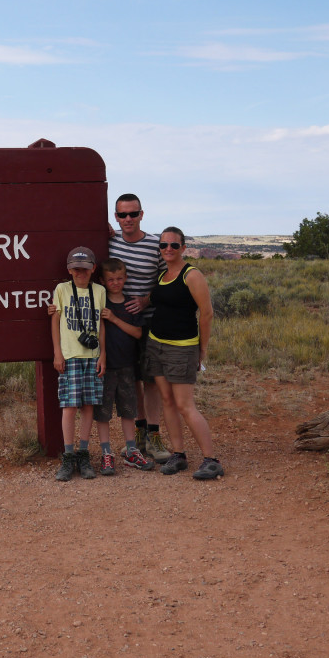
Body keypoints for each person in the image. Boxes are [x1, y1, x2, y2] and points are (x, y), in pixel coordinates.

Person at [144, 227, 224, 480]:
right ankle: (178, 454)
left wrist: (202, 348)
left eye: (173, 246)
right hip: (156, 344)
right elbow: (158, 300)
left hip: (182, 348)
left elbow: (207, 313)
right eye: (163, 245)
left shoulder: (192, 275)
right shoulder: (163, 275)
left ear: (183, 248)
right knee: (167, 401)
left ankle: (211, 460)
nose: (168, 249)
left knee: (185, 405)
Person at [107, 193, 173, 462]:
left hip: (148, 323)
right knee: (132, 380)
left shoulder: (154, 245)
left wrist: (146, 300)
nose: (128, 219)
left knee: (151, 381)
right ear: (116, 217)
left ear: (142, 215)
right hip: (119, 325)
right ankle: (140, 434)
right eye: (122, 215)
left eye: (133, 214)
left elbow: (166, 279)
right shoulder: (110, 243)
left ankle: (155, 436)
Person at [51, 246, 106, 481]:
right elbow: (55, 321)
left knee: (89, 406)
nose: (80, 272)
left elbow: (102, 325)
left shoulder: (100, 291)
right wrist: (57, 353)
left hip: (92, 356)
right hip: (70, 355)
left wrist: (103, 354)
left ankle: (84, 453)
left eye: (84, 268)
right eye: (75, 269)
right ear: (69, 270)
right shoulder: (62, 289)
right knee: (69, 406)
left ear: (93, 269)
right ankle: (69, 454)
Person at [97, 258, 155, 474]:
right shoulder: (100, 301)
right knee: (102, 412)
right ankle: (106, 453)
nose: (115, 283)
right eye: (111, 279)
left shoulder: (131, 304)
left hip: (127, 365)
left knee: (129, 410)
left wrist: (113, 318)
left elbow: (138, 332)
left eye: (120, 278)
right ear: (103, 280)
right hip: (105, 366)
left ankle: (132, 450)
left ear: (126, 278)